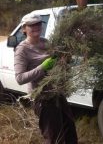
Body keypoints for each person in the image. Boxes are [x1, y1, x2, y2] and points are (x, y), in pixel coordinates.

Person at [14, 13, 78, 144]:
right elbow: (19, 78)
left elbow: (58, 63)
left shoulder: (46, 42)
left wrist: (64, 60)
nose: (36, 27)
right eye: (31, 25)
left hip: (57, 93)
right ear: (24, 29)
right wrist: (42, 67)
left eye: (38, 24)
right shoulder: (22, 50)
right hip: (42, 98)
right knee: (54, 137)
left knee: (69, 131)